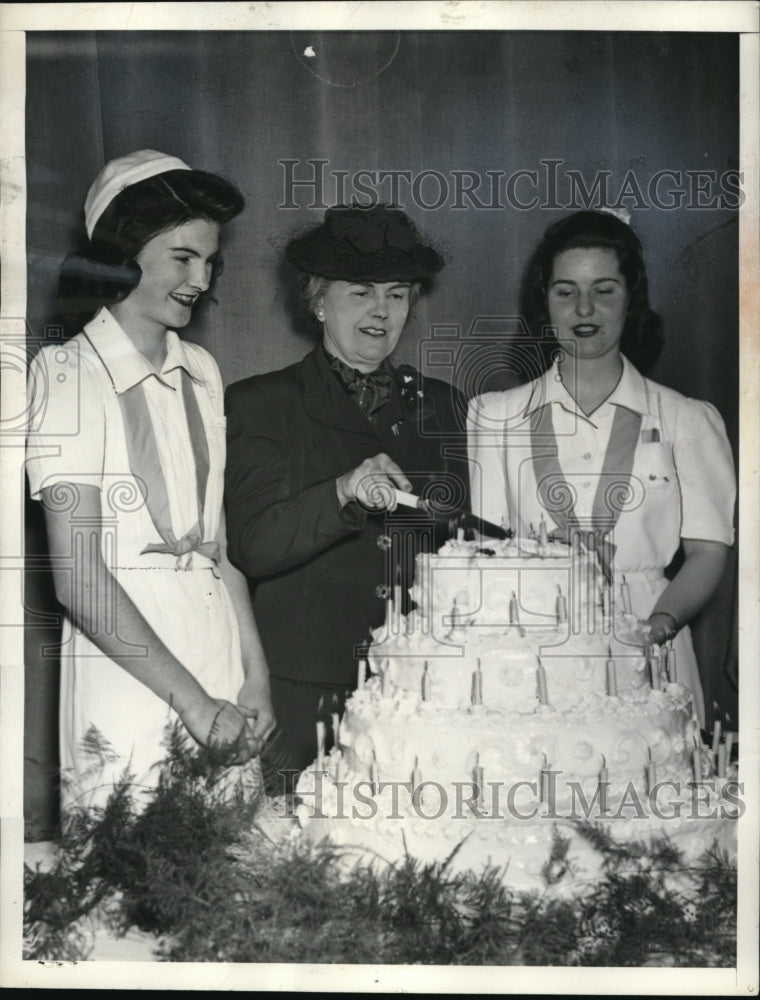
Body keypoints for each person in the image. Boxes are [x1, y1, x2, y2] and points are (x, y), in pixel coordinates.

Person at [26, 150, 274, 812]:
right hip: (130, 678)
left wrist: (256, 678)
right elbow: (78, 579)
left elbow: (217, 550)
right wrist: (192, 702)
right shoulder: (67, 375)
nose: (201, 278)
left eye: (210, 261)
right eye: (182, 258)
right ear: (122, 254)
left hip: (219, 667)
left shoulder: (202, 370)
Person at [225, 204, 468, 774]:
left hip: (413, 691)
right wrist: (341, 492)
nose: (381, 311)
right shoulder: (260, 403)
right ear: (317, 300)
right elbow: (252, 545)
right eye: (360, 292)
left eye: (398, 294)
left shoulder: (445, 406)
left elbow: (455, 548)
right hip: (300, 692)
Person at [467, 210, 735, 726]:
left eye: (604, 290)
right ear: (543, 300)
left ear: (631, 297)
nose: (584, 309)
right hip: (534, 650)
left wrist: (653, 631)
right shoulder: (494, 414)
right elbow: (492, 555)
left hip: (653, 645)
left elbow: (707, 552)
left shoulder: (686, 418)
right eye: (565, 292)